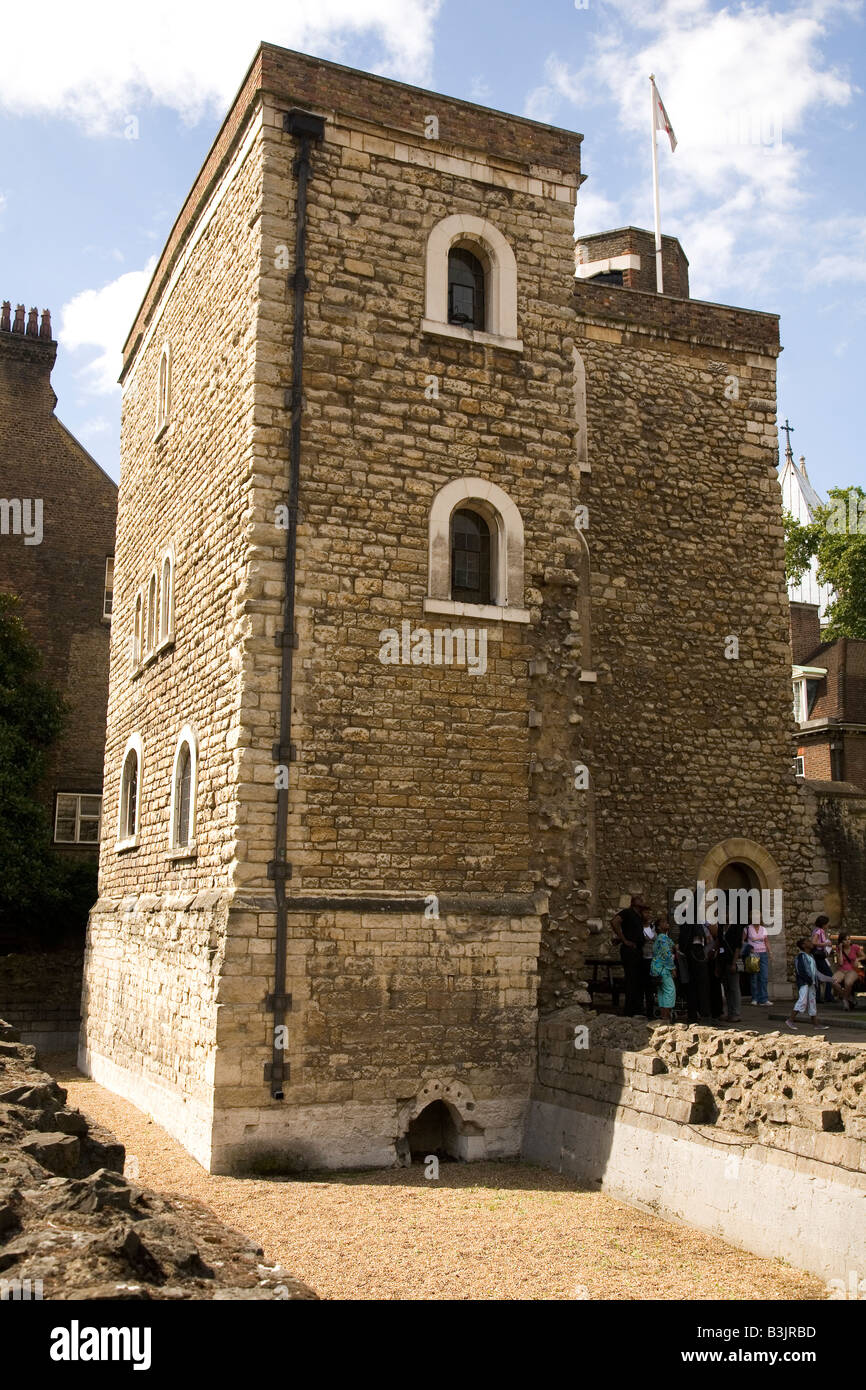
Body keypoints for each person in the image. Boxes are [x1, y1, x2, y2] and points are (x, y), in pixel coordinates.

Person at [611, 893, 648, 1017]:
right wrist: (624, 939)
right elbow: (615, 922)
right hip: (630, 950)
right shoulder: (627, 912)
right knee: (631, 979)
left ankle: (636, 1008)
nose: (642, 900)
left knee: (638, 979)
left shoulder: (638, 916)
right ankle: (629, 1010)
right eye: (640, 899)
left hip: (637, 950)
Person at [786, 937, 835, 1031]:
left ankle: (816, 1024)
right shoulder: (801, 956)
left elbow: (816, 972)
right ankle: (790, 1020)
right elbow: (800, 971)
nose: (810, 943)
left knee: (812, 1003)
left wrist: (829, 979)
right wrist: (808, 980)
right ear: (803, 945)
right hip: (804, 983)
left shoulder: (811, 957)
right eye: (807, 942)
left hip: (811, 984)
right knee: (802, 1001)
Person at [678, 918, 712, 1022]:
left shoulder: (689, 924)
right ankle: (702, 1011)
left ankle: (695, 1012)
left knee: (693, 986)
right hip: (697, 957)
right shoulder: (694, 924)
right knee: (700, 986)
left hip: (692, 957)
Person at [716, 919, 744, 1022]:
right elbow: (719, 944)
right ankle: (729, 1012)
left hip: (732, 960)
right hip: (723, 961)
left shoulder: (736, 927)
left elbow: (738, 946)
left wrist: (734, 963)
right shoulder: (721, 926)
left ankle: (736, 1013)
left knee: (734, 988)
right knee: (727, 988)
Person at [650, 915, 677, 1022]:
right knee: (670, 990)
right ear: (659, 927)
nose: (667, 923)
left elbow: (673, 945)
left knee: (661, 991)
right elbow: (667, 955)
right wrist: (673, 968)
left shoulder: (661, 938)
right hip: (663, 969)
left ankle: (663, 1015)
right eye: (663, 922)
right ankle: (666, 1016)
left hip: (656, 968)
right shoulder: (662, 939)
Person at [831, 933, 864, 1011]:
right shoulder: (839, 949)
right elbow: (841, 963)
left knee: (848, 983)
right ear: (841, 941)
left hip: (853, 970)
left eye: (849, 939)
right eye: (845, 940)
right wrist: (841, 950)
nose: (847, 941)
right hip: (842, 970)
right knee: (833, 981)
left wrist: (857, 959)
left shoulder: (855, 947)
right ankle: (848, 998)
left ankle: (845, 1000)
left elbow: (863, 956)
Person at [745, 917, 772, 1006]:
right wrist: (748, 948)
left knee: (764, 977)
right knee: (754, 977)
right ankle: (755, 998)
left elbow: (766, 941)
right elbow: (742, 941)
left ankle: (764, 999)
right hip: (753, 954)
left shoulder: (763, 929)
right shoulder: (747, 929)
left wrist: (770, 952)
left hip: (763, 954)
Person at [639, 905, 657, 1020]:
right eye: (646, 912)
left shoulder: (653, 927)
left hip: (652, 959)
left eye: (649, 912)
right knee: (643, 985)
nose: (648, 915)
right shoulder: (639, 927)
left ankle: (650, 1011)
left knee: (651, 986)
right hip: (643, 959)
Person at [811, 916, 835, 1004]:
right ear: (823, 924)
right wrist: (826, 943)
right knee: (830, 975)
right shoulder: (819, 931)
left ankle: (818, 996)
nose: (828, 925)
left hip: (818, 956)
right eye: (827, 923)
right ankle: (828, 995)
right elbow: (814, 942)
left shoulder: (817, 930)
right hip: (819, 956)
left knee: (818, 976)